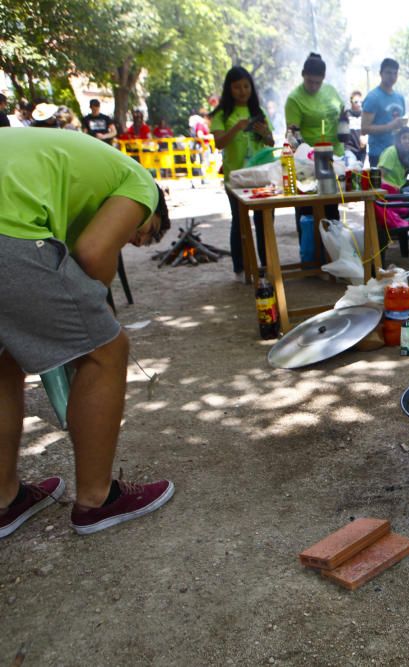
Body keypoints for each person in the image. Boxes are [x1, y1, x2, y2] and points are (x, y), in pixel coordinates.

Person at [0, 129, 175, 538]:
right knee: (106, 351)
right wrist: (98, 315)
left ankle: (5, 499)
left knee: (6, 359)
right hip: (7, 225)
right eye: (143, 233)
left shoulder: (83, 175)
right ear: (154, 211)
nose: (132, 237)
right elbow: (95, 252)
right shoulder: (141, 183)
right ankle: (98, 499)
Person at [209, 66, 274, 277]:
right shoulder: (221, 114)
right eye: (237, 87)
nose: (242, 91)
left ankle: (266, 264)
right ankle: (242, 266)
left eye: (246, 86)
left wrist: (264, 133)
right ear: (229, 89)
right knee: (239, 221)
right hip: (235, 178)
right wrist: (237, 127)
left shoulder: (259, 112)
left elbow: (271, 142)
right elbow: (218, 143)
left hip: (261, 176)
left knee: (264, 221)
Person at [286, 52, 344, 227]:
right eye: (309, 81)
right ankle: (310, 251)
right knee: (308, 212)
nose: (313, 86)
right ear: (303, 75)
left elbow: (342, 113)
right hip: (308, 163)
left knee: (332, 209)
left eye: (317, 82)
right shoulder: (294, 99)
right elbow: (292, 135)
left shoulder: (331, 91)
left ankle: (333, 248)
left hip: (333, 158)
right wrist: (307, 153)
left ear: (323, 78)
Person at [361, 58, 406, 165]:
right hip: (379, 154)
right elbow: (364, 129)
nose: (392, 76)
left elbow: (400, 124)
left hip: (398, 153)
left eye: (395, 73)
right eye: (388, 73)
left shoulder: (400, 98)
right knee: (380, 182)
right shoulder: (373, 97)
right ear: (381, 74)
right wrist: (389, 126)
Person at [338, 91, 367, 165]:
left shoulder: (365, 115)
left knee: (360, 172)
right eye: (356, 102)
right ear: (351, 102)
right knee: (351, 170)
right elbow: (341, 134)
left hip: (362, 150)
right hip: (349, 149)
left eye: (361, 101)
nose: (359, 104)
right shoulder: (346, 114)